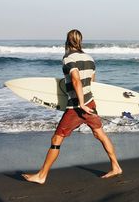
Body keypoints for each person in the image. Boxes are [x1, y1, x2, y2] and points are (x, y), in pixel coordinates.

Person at [22, 29, 122, 184]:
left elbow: (76, 80)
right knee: (100, 135)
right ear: (80, 40)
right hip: (90, 103)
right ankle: (116, 166)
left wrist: (81, 103)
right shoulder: (90, 59)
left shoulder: (68, 58)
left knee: (57, 138)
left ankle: (42, 176)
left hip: (77, 106)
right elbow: (92, 83)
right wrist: (87, 102)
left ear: (67, 41)